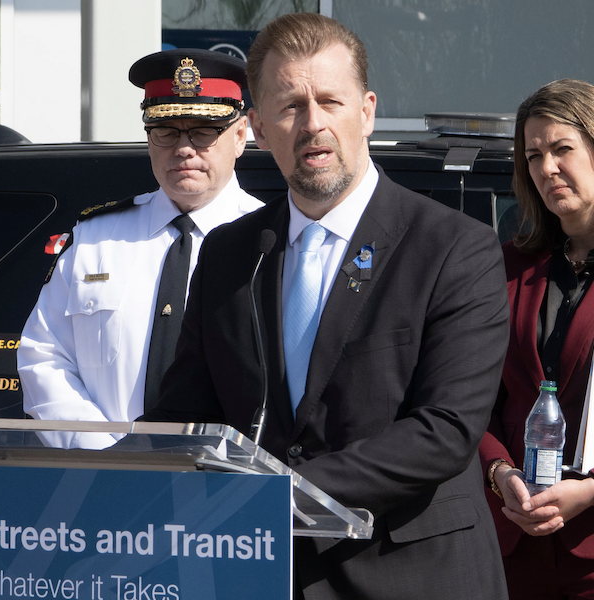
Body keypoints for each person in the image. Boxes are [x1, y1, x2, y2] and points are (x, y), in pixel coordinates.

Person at [142, 13, 510, 599]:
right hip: (262, 575)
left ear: (366, 112)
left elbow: (445, 430)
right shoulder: (231, 253)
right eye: (290, 106)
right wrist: (113, 482)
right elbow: (186, 413)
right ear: (258, 128)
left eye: (330, 102)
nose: (313, 124)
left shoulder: (454, 249)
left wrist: (274, 494)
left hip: (410, 575)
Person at [17, 49, 262, 449]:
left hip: (227, 485)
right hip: (103, 481)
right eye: (166, 131)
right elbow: (44, 355)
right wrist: (106, 455)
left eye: (203, 131)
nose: (184, 149)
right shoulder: (97, 238)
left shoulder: (270, 240)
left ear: (238, 137)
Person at [479, 78, 594, 599]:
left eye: (562, 149)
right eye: (533, 155)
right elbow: (471, 399)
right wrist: (500, 472)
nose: (547, 168)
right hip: (512, 546)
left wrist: (588, 492)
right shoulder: (509, 267)